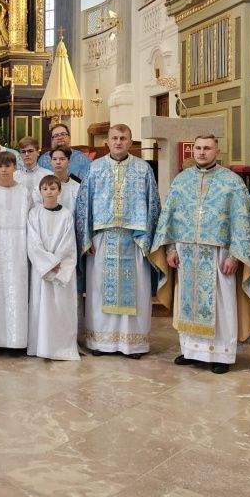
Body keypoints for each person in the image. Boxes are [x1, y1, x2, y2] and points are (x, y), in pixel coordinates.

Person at [150, 135, 250, 375]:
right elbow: (168, 217)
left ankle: (221, 355)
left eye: (207, 148)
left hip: (219, 253)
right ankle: (190, 351)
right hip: (186, 252)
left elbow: (243, 221)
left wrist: (235, 254)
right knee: (186, 302)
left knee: (221, 302)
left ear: (217, 151)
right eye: (198, 148)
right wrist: (170, 249)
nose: (202, 152)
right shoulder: (181, 181)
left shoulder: (231, 182)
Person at [75, 124, 161, 358]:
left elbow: (153, 206)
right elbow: (83, 206)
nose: (118, 142)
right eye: (114, 138)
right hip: (101, 239)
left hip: (134, 239)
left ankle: (132, 344)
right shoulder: (94, 169)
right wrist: (85, 238)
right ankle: (101, 342)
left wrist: (149, 240)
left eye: (123, 138)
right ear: (107, 142)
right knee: (99, 290)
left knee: (137, 290)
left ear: (131, 142)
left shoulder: (143, 169)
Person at [0, 150, 33, 351]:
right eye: (0, 166)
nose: (3, 170)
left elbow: (31, 221)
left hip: (19, 250)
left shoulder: (24, 193)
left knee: (18, 293)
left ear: (14, 168)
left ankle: (18, 340)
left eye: (7, 166)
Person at [27, 176, 80, 361]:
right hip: (42, 270)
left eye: (53, 188)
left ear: (60, 191)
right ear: (40, 191)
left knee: (60, 307)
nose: (49, 192)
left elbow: (69, 242)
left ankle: (62, 347)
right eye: (45, 188)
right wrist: (49, 263)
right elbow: (33, 242)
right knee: (41, 307)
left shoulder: (66, 214)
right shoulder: (34, 214)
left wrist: (58, 262)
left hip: (61, 269)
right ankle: (41, 347)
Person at [15, 136, 48, 201]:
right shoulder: (14, 177)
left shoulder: (47, 175)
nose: (27, 154)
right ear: (20, 154)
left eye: (30, 151)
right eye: (23, 152)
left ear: (38, 152)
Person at [48, 146, 81, 212]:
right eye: (54, 159)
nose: (58, 162)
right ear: (50, 161)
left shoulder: (77, 187)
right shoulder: (44, 186)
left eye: (62, 159)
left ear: (69, 161)